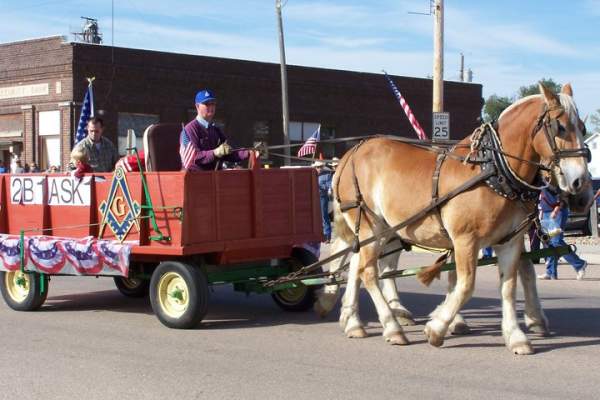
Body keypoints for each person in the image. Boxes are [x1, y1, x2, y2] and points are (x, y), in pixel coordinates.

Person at [180, 89, 249, 171]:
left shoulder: (215, 130)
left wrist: (250, 153)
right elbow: (193, 157)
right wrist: (215, 152)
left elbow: (229, 152)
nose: (211, 107)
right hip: (195, 178)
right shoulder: (190, 129)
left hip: (215, 177)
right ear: (197, 106)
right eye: (207, 104)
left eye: (213, 104)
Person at [538, 185, 587, 280]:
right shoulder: (541, 176)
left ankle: (579, 264)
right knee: (548, 242)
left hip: (558, 210)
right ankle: (551, 272)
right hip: (546, 211)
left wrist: (557, 209)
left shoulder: (556, 176)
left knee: (556, 241)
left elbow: (565, 193)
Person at [315, 160, 333, 243]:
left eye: (320, 167)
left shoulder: (327, 175)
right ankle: (320, 235)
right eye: (317, 167)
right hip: (314, 198)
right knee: (316, 218)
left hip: (322, 197)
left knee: (324, 216)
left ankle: (327, 236)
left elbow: (329, 186)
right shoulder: (313, 174)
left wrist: (321, 187)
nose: (319, 168)